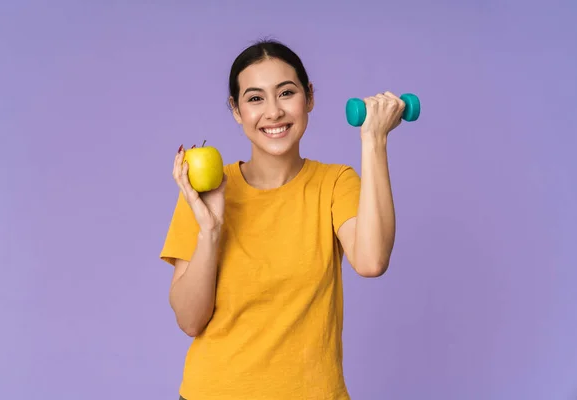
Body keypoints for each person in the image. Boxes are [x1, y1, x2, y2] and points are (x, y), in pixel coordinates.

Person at [160, 39, 406, 400]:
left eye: (286, 93)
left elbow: (371, 262)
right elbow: (190, 321)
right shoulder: (204, 191)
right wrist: (210, 230)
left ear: (309, 97)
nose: (273, 112)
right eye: (255, 98)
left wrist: (374, 140)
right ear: (236, 109)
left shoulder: (335, 183)